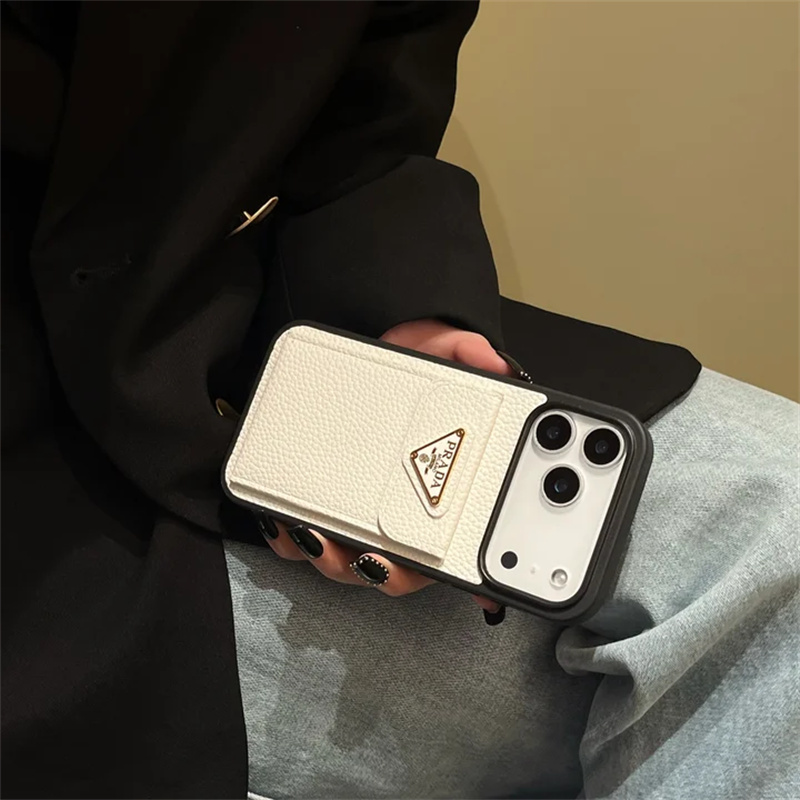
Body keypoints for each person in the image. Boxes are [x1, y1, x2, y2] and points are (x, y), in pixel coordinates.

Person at [2, 2, 797, 798]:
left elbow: (369, 107)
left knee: (780, 524)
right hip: (47, 517)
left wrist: (410, 303)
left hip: (260, 318)